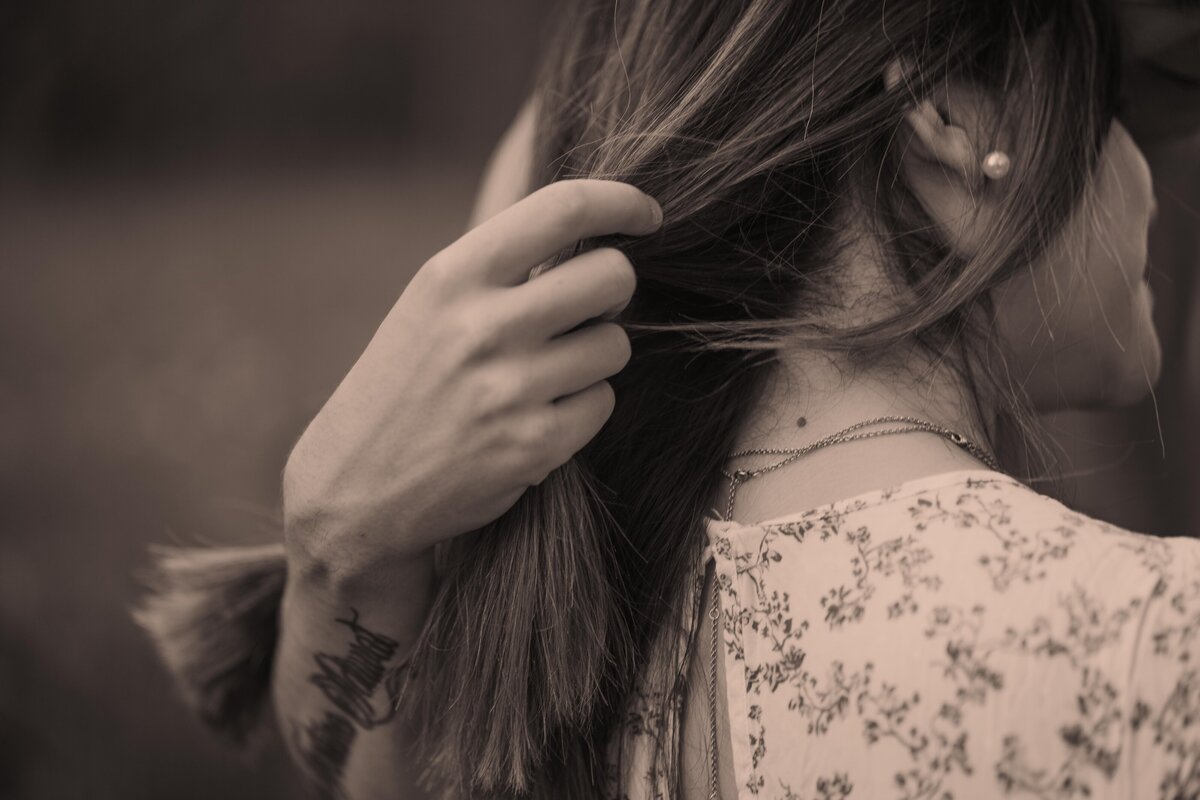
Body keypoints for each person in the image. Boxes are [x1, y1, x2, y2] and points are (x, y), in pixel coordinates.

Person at [135, 1, 1200, 798]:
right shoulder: (1152, 647)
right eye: (1119, 107)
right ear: (952, 113)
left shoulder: (541, 652)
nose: (1157, 173)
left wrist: (336, 555)